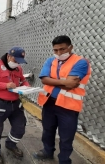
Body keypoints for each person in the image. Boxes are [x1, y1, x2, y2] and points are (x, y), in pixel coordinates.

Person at [33, 35, 91, 164]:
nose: (59, 53)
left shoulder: (80, 62)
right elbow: (44, 79)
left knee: (66, 137)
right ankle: (47, 152)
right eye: (56, 50)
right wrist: (63, 82)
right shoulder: (50, 61)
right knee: (48, 130)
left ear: (71, 47)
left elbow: (71, 84)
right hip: (49, 103)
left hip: (68, 106)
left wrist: (51, 81)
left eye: (62, 49)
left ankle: (64, 160)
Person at [0, 47, 30, 164]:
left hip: (15, 103)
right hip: (0, 103)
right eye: (16, 60)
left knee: (20, 127)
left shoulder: (18, 68)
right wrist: (5, 85)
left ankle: (11, 144)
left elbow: (22, 80)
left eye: (19, 61)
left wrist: (26, 85)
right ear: (9, 56)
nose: (17, 64)